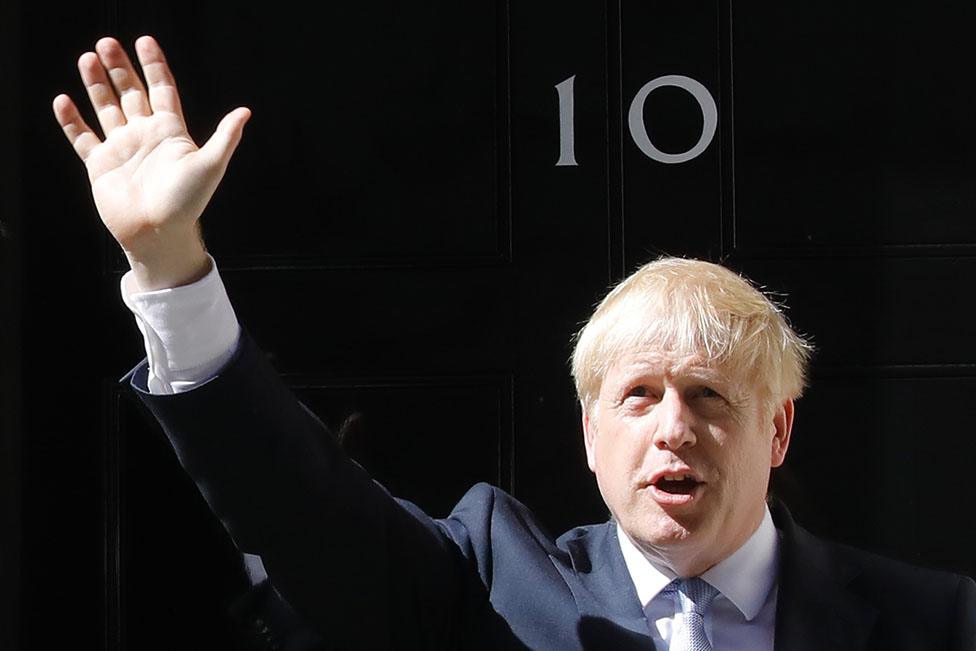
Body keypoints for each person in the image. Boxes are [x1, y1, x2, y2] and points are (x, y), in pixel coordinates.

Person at [54, 36, 976, 650]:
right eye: (638, 395)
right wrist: (170, 263)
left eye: (709, 396)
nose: (672, 429)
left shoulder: (936, 619)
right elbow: (300, 508)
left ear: (777, 431)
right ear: (588, 432)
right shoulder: (491, 579)